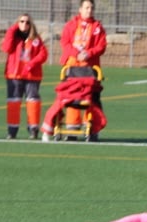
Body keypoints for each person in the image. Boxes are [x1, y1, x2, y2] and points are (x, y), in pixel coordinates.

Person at [60, 0, 107, 128]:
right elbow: (65, 43)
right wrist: (76, 54)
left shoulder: (97, 27)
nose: (89, 10)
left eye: (91, 8)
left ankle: (91, 126)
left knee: (91, 98)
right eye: (86, 7)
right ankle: (72, 126)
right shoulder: (71, 25)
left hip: (90, 68)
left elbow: (101, 46)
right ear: (80, 9)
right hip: (72, 66)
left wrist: (89, 53)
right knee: (72, 96)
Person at [2, 13, 48, 140]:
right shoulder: (13, 36)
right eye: (21, 21)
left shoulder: (36, 39)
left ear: (31, 24)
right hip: (14, 75)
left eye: (27, 22)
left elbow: (43, 54)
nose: (24, 24)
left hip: (31, 75)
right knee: (13, 102)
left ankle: (33, 129)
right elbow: (6, 48)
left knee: (33, 102)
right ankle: (12, 131)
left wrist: (32, 64)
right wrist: (12, 30)